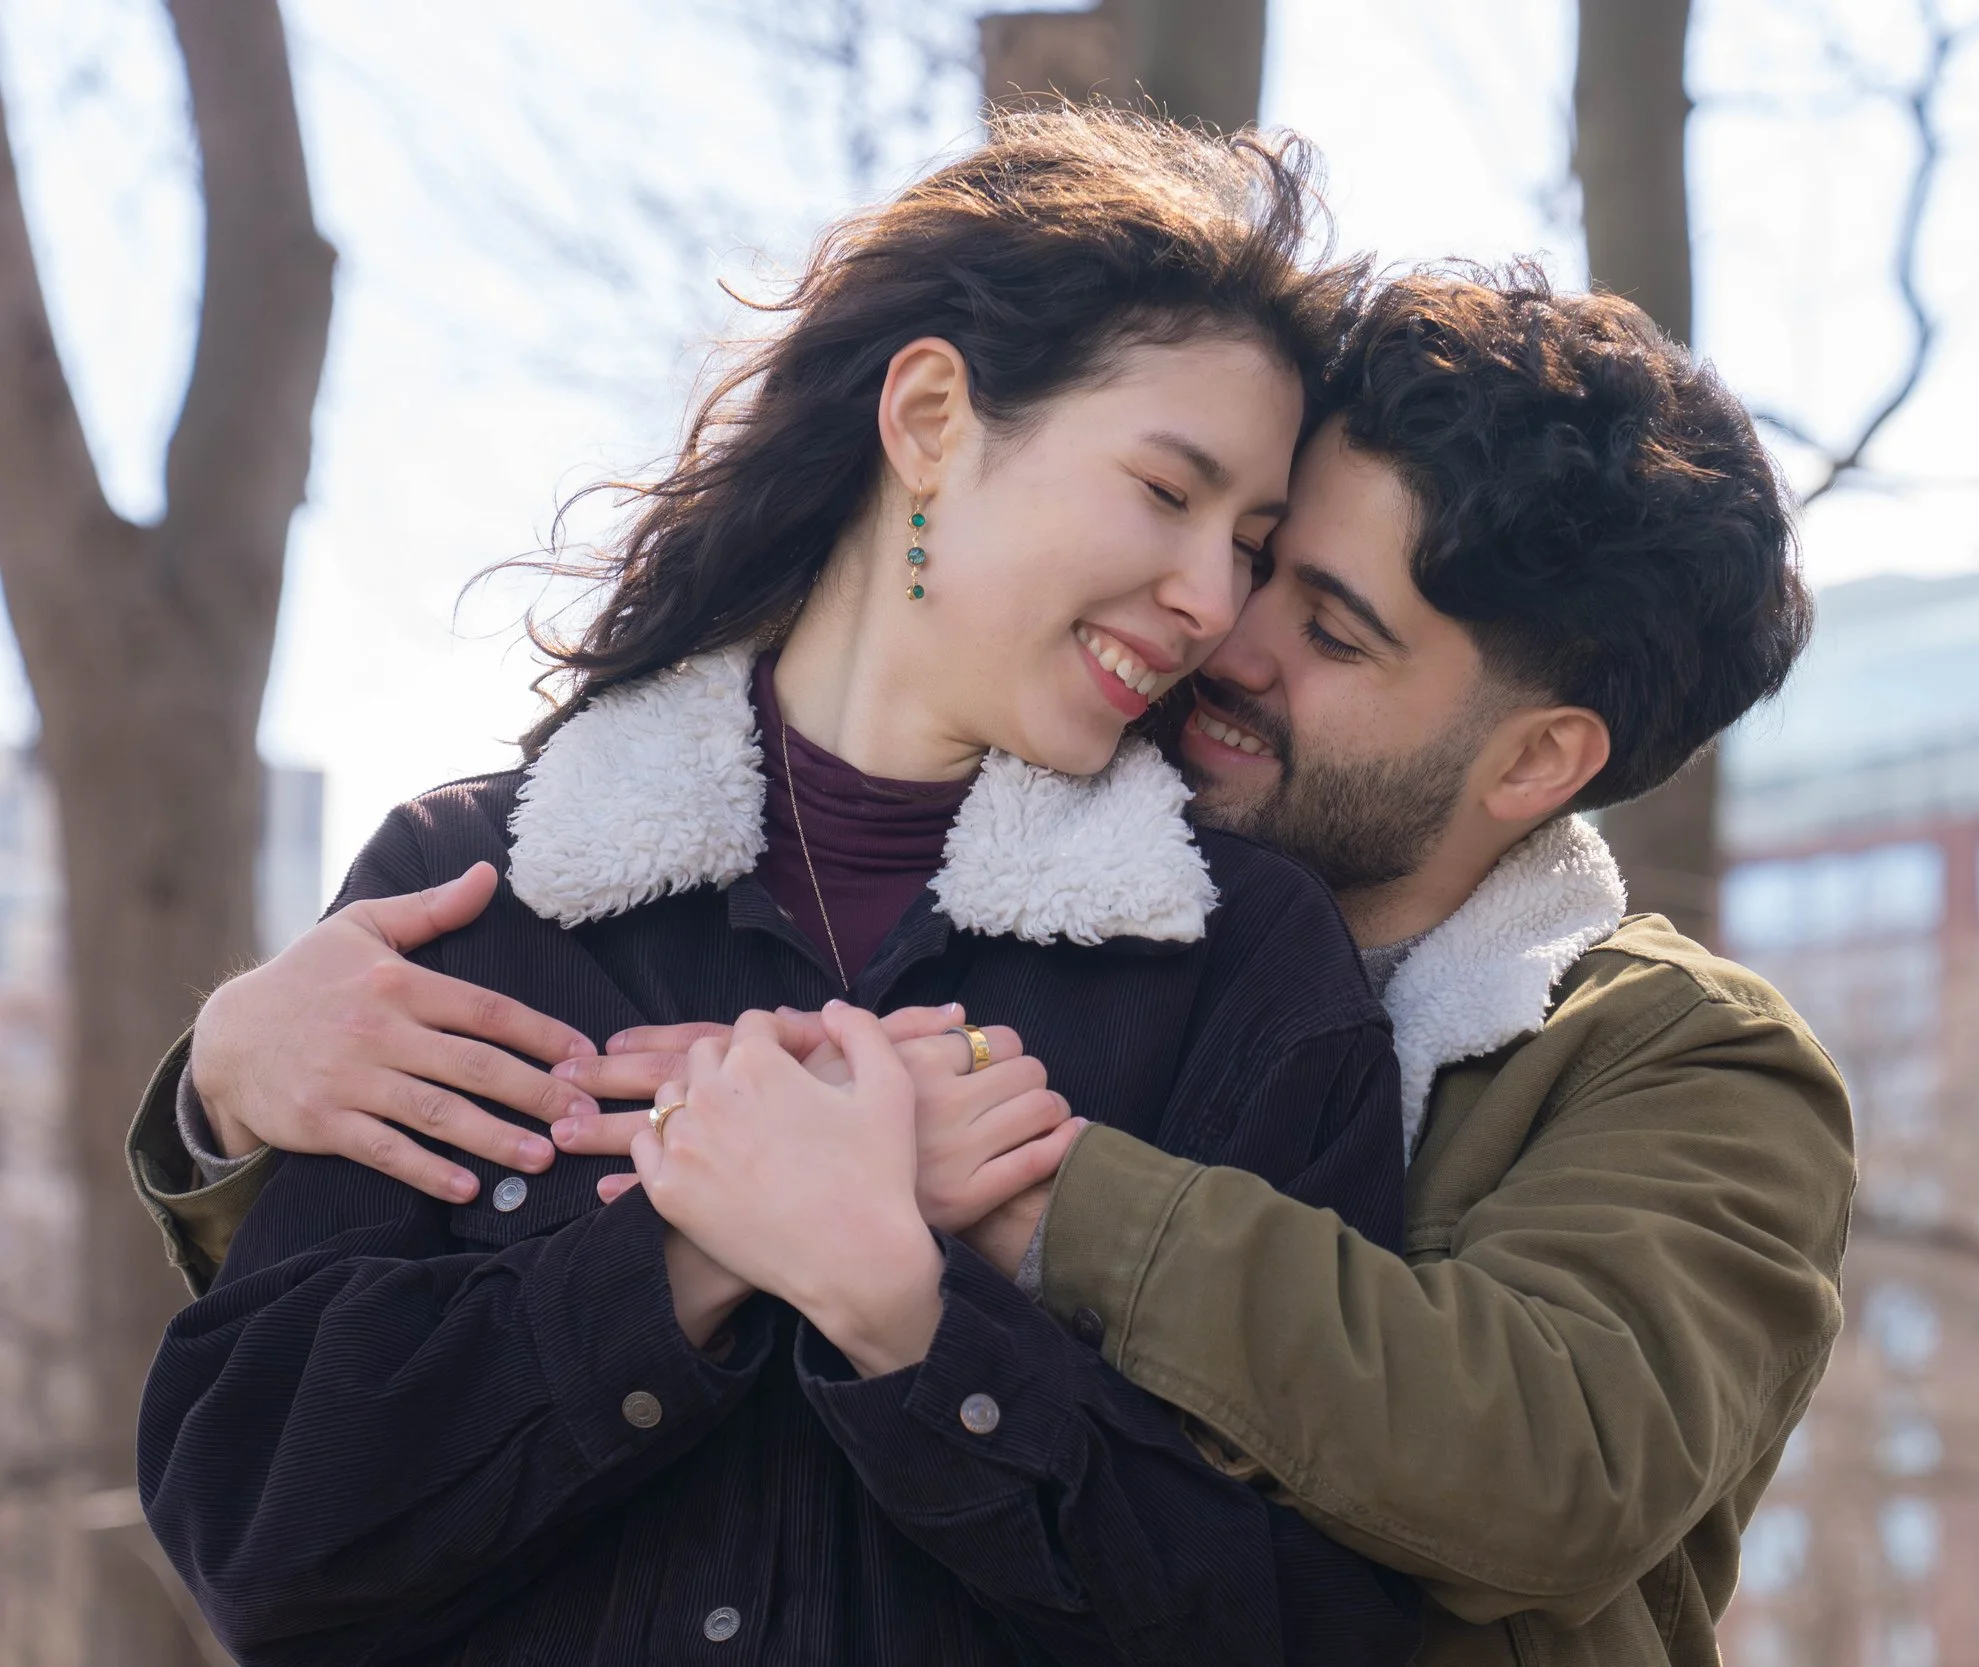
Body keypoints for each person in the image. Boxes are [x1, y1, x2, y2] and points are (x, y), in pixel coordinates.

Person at [136, 266, 1856, 1667]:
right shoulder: (523, 858)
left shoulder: (1670, 1063)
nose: (1220, 625)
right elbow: (297, 1460)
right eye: (1240, 543)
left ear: (1537, 760)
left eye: (1326, 627)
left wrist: (1004, 1203)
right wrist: (224, 1094)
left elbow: (1538, 1469)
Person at [131, 109, 1424, 1667]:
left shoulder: (1247, 962)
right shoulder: (482, 892)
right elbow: (257, 1532)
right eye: (1168, 492)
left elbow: (1313, 1624)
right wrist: (691, 1245)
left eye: (1252, 540)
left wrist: (908, 1318)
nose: (1212, 597)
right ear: (934, 416)